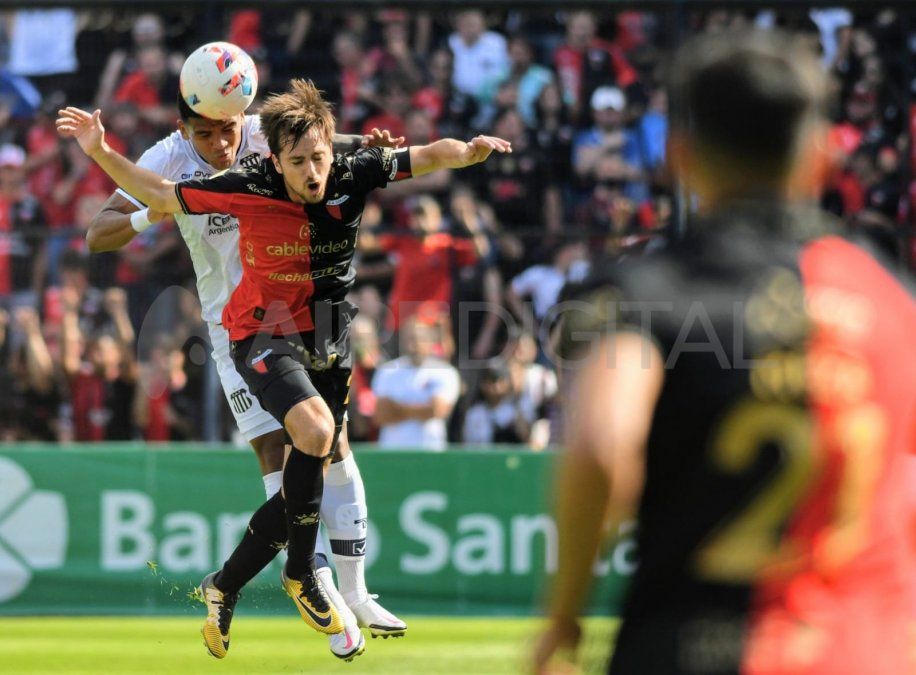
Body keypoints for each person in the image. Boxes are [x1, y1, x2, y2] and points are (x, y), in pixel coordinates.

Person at [58, 78, 510, 652]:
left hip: (324, 324)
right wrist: (100, 151)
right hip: (251, 325)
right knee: (300, 442)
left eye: (320, 157)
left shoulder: (342, 164)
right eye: (299, 161)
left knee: (328, 453)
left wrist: (466, 151)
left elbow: (416, 154)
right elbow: (150, 199)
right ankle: (308, 579)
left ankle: (319, 589)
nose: (314, 170)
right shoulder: (244, 180)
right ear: (274, 159)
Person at [534, 31, 916, 675]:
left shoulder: (644, 288)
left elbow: (601, 449)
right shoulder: (892, 299)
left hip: (689, 649)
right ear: (821, 158)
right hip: (862, 654)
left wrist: (564, 616)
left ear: (681, 157)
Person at [81, 86, 403, 660]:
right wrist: (148, 213)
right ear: (184, 131)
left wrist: (372, 145)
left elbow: (325, 146)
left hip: (304, 315)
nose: (224, 142)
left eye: (230, 129)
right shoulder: (165, 161)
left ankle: (346, 592)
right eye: (206, 133)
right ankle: (320, 597)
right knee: (287, 459)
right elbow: (97, 235)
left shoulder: (263, 132)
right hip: (241, 331)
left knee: (332, 446)